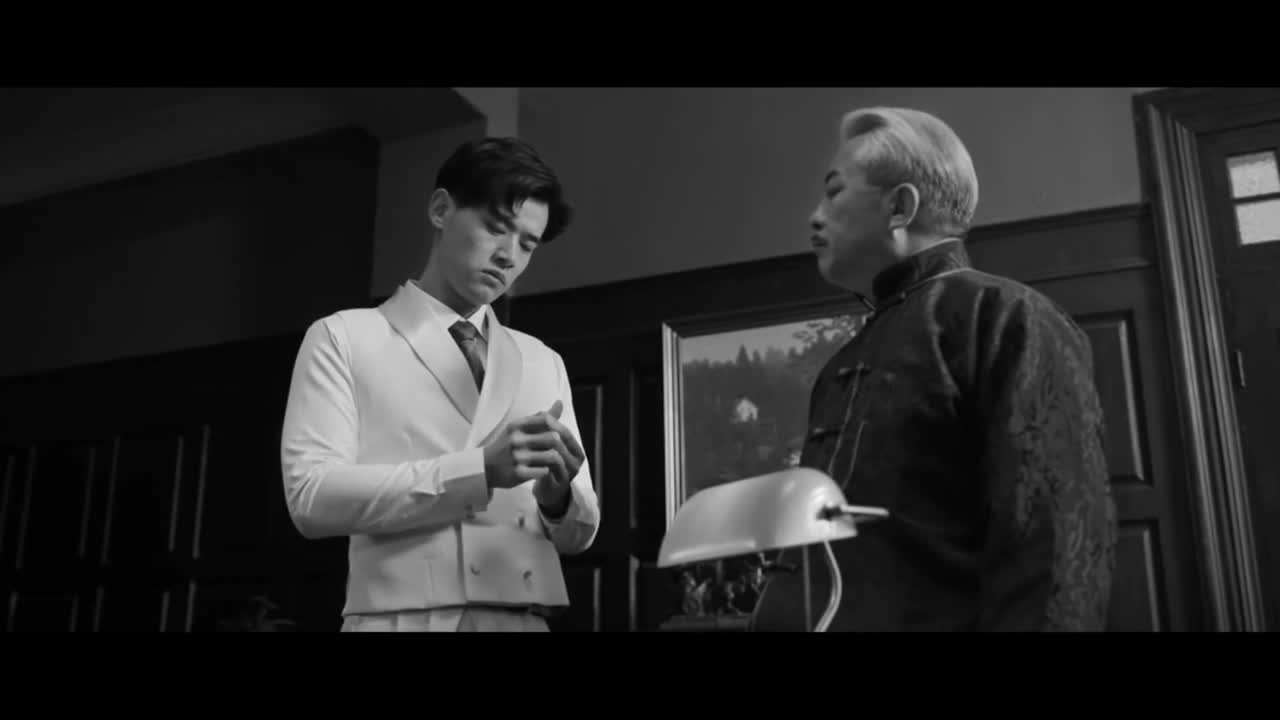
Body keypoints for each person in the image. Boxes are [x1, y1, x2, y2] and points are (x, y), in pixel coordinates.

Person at [751, 107, 1116, 631]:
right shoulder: (843, 362)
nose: (814, 216)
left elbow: (1058, 546)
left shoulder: (1008, 318)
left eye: (833, 192)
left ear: (900, 206)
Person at [280, 137, 600, 632]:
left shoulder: (543, 360)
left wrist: (557, 499)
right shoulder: (343, 336)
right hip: (398, 621)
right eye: (496, 227)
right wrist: (478, 471)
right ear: (440, 209)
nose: (508, 257)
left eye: (527, 244)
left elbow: (578, 535)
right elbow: (311, 498)